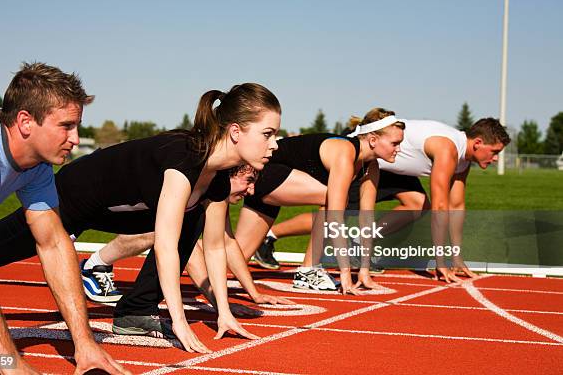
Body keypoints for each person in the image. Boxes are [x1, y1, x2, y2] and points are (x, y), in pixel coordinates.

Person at [0, 83, 282, 353]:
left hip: (120, 213)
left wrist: (224, 311)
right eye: (267, 134)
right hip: (75, 196)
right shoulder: (185, 158)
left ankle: (137, 310)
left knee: (193, 222)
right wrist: (178, 321)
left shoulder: (217, 180)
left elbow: (216, 247)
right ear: (235, 132)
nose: (275, 144)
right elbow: (165, 246)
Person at [0, 62, 129, 374]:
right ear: (25, 122)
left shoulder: (38, 167)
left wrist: (84, 342)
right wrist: (11, 364)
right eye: (66, 126)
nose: (75, 139)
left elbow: (53, 244)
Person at [257, 117, 510, 282]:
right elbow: (442, 205)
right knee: (338, 208)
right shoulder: (448, 149)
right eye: (495, 152)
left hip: (391, 167)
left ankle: (357, 243)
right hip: (369, 155)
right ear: (478, 143)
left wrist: (456, 255)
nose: (496, 158)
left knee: (418, 203)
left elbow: (456, 206)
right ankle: (271, 236)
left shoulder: (463, 160)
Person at [234, 108, 405, 293]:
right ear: (373, 140)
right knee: (333, 198)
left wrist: (364, 271)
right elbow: (335, 216)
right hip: (264, 172)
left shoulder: (371, 168)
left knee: (235, 256)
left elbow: (366, 219)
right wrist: (345, 272)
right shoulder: (345, 152)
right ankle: (308, 270)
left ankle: (197, 254)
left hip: (273, 181)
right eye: (395, 143)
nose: (399, 149)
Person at [78, 165, 292, 310]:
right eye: (249, 180)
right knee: (160, 233)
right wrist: (220, 304)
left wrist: (254, 293)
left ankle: (96, 264)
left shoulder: (217, 190)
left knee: (158, 231)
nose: (252, 191)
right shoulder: (201, 184)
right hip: (100, 191)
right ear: (231, 174)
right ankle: (96, 265)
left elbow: (226, 241)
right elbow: (189, 252)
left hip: (129, 199)